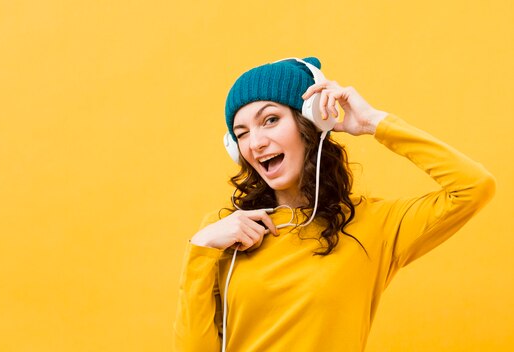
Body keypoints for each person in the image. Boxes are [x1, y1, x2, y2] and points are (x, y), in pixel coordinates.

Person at [173, 56, 496, 352]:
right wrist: (200, 249)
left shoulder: (375, 225)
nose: (256, 143)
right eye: (242, 133)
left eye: (270, 119)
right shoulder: (224, 232)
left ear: (310, 123)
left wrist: (374, 123)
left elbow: (473, 186)